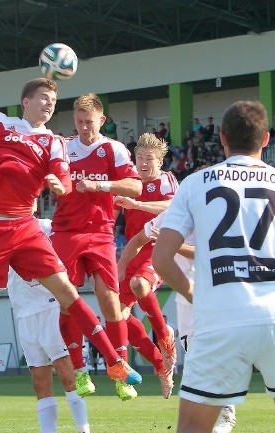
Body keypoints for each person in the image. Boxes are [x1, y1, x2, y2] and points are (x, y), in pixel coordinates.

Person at [0, 66, 141, 422]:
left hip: (25, 228)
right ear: (25, 101)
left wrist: (60, 183)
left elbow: (63, 176)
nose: (49, 105)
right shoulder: (1, 124)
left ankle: (116, 363)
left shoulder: (54, 141)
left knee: (68, 294)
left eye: (54, 101)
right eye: (44, 98)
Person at [152, 100, 275, 433]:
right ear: (266, 139)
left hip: (218, 318)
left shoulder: (196, 184)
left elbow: (161, 258)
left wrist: (193, 293)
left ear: (222, 138)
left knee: (193, 427)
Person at [50, 92, 143, 401]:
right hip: (65, 232)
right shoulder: (63, 146)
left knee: (109, 302)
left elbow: (136, 186)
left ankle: (120, 373)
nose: (83, 128)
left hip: (101, 233)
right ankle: (80, 371)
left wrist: (99, 185)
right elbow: (43, 175)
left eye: (89, 122)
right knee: (68, 302)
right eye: (78, 122)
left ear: (102, 121)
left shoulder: (112, 149)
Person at [125, 209, 237, 433]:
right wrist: (119, 269)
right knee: (195, 357)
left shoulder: (215, 213)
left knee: (215, 350)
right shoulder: (171, 214)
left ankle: (227, 410)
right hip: (183, 293)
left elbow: (207, 253)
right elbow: (139, 239)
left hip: (212, 287)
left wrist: (170, 245)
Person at [1, 218, 90, 433]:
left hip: (50, 308)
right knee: (39, 382)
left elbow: (75, 243)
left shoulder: (46, 227)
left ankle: (83, 430)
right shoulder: (2, 235)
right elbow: (2, 276)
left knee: (68, 376)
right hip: (24, 314)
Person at [113, 132, 179, 399]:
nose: (143, 163)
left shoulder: (165, 180)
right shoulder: (131, 182)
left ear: (160, 161)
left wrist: (138, 203)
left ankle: (165, 339)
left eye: (149, 158)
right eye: (139, 157)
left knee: (140, 284)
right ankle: (160, 364)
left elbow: (173, 206)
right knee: (118, 315)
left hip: (157, 249)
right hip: (133, 248)